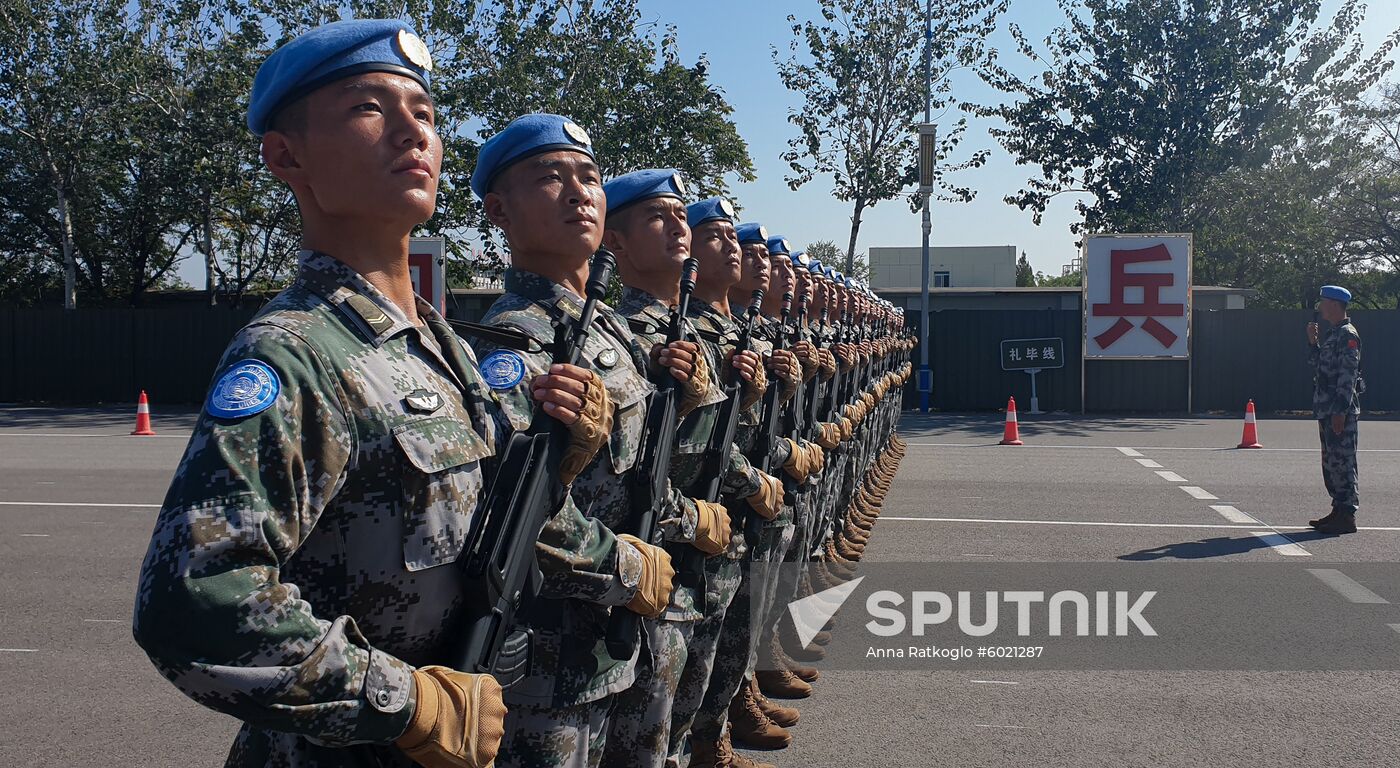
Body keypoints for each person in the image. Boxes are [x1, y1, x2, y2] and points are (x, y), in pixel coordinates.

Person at [132, 20, 629, 768]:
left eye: (425, 115)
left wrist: (567, 478)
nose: (413, 132)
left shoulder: (445, 349)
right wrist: (398, 699)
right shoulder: (298, 353)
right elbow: (193, 600)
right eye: (370, 108)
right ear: (286, 155)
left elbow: (492, 521)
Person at [469, 114, 696, 768]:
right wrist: (627, 568)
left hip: (614, 632)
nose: (577, 193)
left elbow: (636, 469)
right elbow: (502, 510)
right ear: (499, 210)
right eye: (550, 178)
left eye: (589, 178)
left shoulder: (608, 335)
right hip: (551, 655)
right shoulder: (519, 339)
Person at [1307, 284, 1362, 535]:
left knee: (1343, 461)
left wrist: (1340, 410)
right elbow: (1320, 368)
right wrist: (1313, 344)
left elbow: (1347, 376)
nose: (1320, 307)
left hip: (1339, 410)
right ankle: (1338, 510)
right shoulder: (1333, 334)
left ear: (1334, 305)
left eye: (1323, 302)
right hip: (1327, 408)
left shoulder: (1347, 335)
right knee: (1331, 462)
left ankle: (1347, 515)